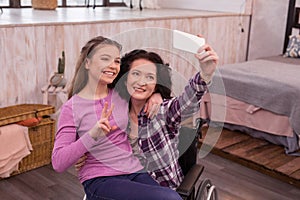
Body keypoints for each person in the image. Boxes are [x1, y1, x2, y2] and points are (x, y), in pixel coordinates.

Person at [51, 36, 182, 200]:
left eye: (116, 61)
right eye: (105, 59)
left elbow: (143, 86)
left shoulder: (120, 93)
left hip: (134, 171)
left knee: (173, 196)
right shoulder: (71, 108)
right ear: (87, 63)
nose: (113, 66)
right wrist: (92, 135)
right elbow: (58, 162)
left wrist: (157, 94)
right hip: (101, 179)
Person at [112, 43, 218, 190]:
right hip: (128, 188)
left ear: (156, 84)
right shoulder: (116, 111)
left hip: (163, 190)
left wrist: (205, 74)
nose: (141, 82)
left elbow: (186, 102)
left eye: (149, 77)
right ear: (125, 79)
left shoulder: (162, 111)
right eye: (136, 74)